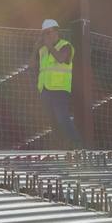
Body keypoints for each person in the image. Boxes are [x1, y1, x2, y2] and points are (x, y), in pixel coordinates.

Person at [33, 18, 83, 148]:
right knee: (52, 121)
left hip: (60, 88)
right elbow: (31, 65)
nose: (49, 35)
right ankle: (62, 145)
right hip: (45, 89)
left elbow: (61, 58)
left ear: (57, 32)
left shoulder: (66, 46)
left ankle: (76, 143)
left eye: (51, 32)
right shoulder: (42, 50)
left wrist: (49, 45)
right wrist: (36, 48)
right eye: (46, 33)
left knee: (62, 117)